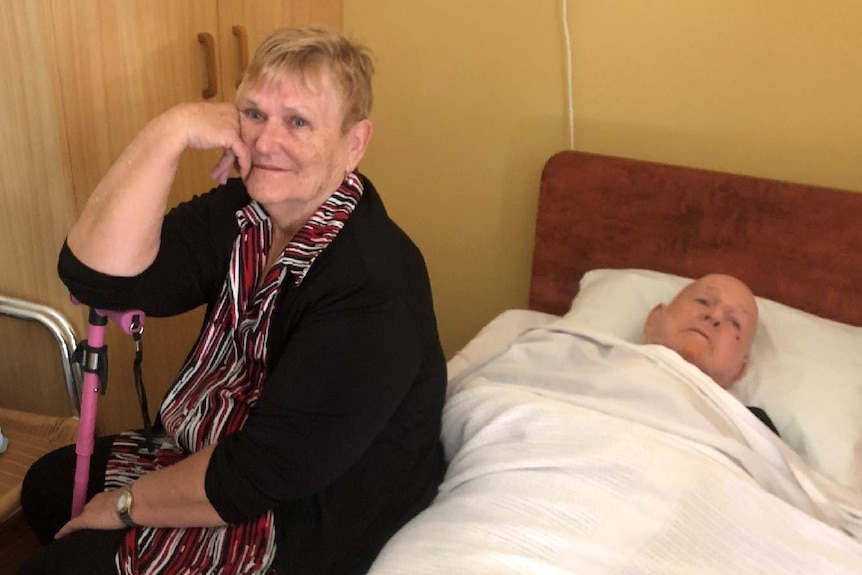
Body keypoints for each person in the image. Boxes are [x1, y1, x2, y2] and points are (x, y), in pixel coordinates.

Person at [20, 26, 447, 575]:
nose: (267, 142)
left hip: (304, 508)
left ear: (354, 142)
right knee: (48, 488)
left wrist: (124, 507)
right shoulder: (245, 213)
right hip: (231, 447)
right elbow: (98, 278)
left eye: (298, 121)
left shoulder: (373, 283)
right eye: (253, 113)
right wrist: (169, 132)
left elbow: (261, 474)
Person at [643, 273, 779, 435]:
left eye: (735, 323)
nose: (715, 316)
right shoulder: (605, 362)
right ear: (655, 317)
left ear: (738, 372)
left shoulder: (754, 430)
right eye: (703, 302)